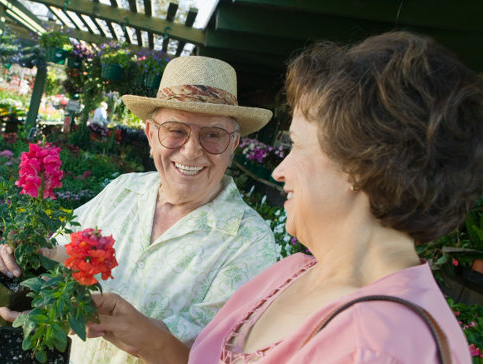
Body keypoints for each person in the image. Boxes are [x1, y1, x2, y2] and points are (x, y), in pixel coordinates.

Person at [88, 31, 482, 363]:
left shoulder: (379, 344)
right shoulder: (290, 271)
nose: (278, 170)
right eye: (176, 131)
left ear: (363, 167)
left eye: (296, 145)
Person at [0, 56, 278, 363]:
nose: (192, 150)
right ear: (151, 134)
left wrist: (145, 336)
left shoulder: (251, 243)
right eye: (176, 130)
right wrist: (22, 261)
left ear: (233, 145)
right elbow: (63, 251)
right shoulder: (123, 190)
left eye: (213, 135)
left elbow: (222, 353)